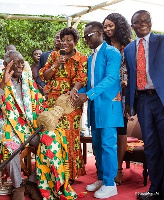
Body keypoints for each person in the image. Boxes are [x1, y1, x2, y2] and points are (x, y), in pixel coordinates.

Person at [0, 50, 45, 200]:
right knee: (10, 148)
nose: (20, 65)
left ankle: (31, 182)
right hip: (7, 127)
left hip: (30, 127)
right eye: (16, 62)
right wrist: (3, 84)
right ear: (5, 65)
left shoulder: (28, 80)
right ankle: (18, 186)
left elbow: (40, 103)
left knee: (51, 141)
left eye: (22, 62)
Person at [73, 21, 123, 199]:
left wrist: (89, 94)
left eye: (89, 35)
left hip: (108, 106)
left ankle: (111, 184)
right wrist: (77, 93)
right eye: (84, 37)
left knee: (108, 145)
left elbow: (111, 78)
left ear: (100, 33)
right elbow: (90, 83)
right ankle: (102, 178)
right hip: (94, 106)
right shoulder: (90, 57)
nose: (86, 39)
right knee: (97, 146)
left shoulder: (112, 52)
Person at [38, 27, 87, 183]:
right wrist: (55, 65)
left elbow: (82, 77)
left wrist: (74, 90)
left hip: (71, 102)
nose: (65, 43)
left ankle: (69, 173)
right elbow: (44, 76)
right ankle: (53, 170)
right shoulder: (54, 56)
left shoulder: (82, 58)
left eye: (69, 40)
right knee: (53, 133)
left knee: (68, 135)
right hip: (52, 101)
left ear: (75, 41)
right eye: (63, 40)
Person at [124, 10, 164, 200]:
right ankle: (155, 190)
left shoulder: (162, 41)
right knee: (151, 147)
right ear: (132, 26)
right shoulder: (129, 49)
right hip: (143, 100)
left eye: (146, 20)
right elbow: (131, 78)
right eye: (138, 22)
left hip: (161, 98)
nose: (143, 23)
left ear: (150, 21)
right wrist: (128, 104)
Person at [103, 12, 132, 186]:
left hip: (122, 95)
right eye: (105, 26)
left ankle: (118, 169)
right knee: (107, 130)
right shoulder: (103, 47)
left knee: (121, 131)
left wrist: (127, 81)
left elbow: (134, 69)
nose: (107, 29)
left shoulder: (128, 47)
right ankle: (106, 169)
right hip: (106, 94)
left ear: (119, 26)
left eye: (111, 26)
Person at [37, 31, 63, 96]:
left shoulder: (69, 56)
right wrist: (44, 86)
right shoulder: (44, 56)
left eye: (61, 38)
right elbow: (39, 75)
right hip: (48, 93)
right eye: (56, 37)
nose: (58, 39)